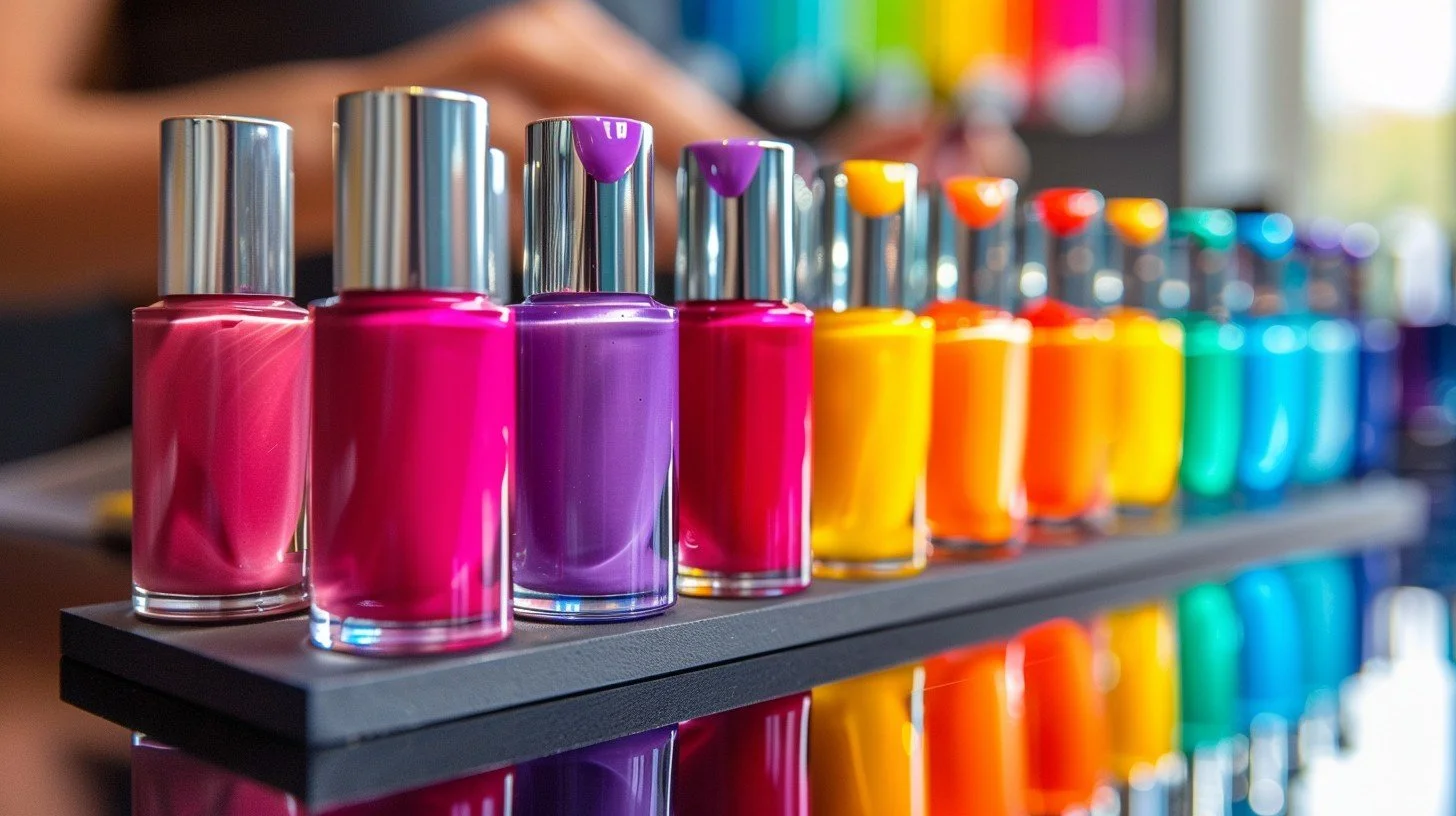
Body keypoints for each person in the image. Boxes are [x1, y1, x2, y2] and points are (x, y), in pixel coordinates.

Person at [0, 0, 1025, 459]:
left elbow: (635, 158)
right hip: (232, 492)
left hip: (592, 503)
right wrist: (384, 138)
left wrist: (804, 184)